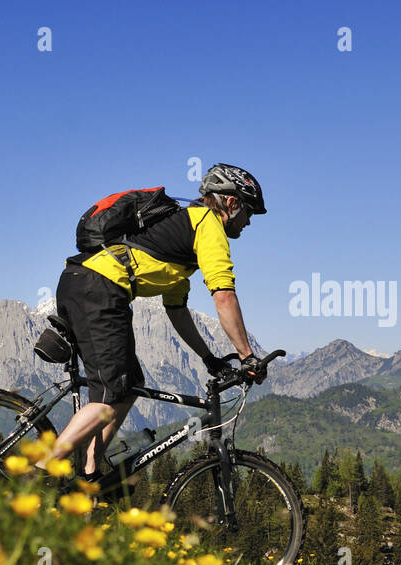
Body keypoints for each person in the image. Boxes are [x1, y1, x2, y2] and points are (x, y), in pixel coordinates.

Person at [39, 163, 268, 477]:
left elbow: (176, 310)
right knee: (111, 394)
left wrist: (208, 358)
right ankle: (39, 471)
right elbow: (224, 295)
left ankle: (88, 472)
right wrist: (247, 355)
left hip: (86, 283)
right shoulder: (206, 223)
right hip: (100, 288)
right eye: (249, 213)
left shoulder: (183, 235)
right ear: (231, 203)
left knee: (130, 384)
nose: (249, 222)